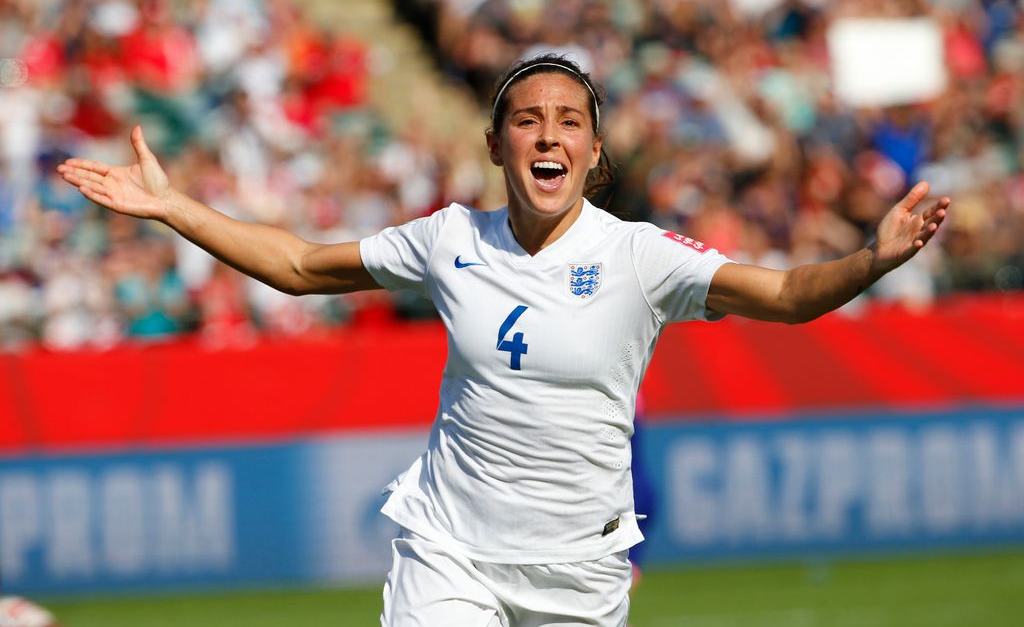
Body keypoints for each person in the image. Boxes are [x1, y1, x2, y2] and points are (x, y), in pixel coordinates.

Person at [58, 54, 950, 627]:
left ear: (595, 153)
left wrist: (873, 259)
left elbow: (789, 294)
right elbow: (297, 265)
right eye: (528, 118)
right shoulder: (449, 238)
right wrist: (173, 207)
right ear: (496, 144)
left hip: (578, 573)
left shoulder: (641, 256)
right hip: (452, 550)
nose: (549, 133)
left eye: (569, 119)